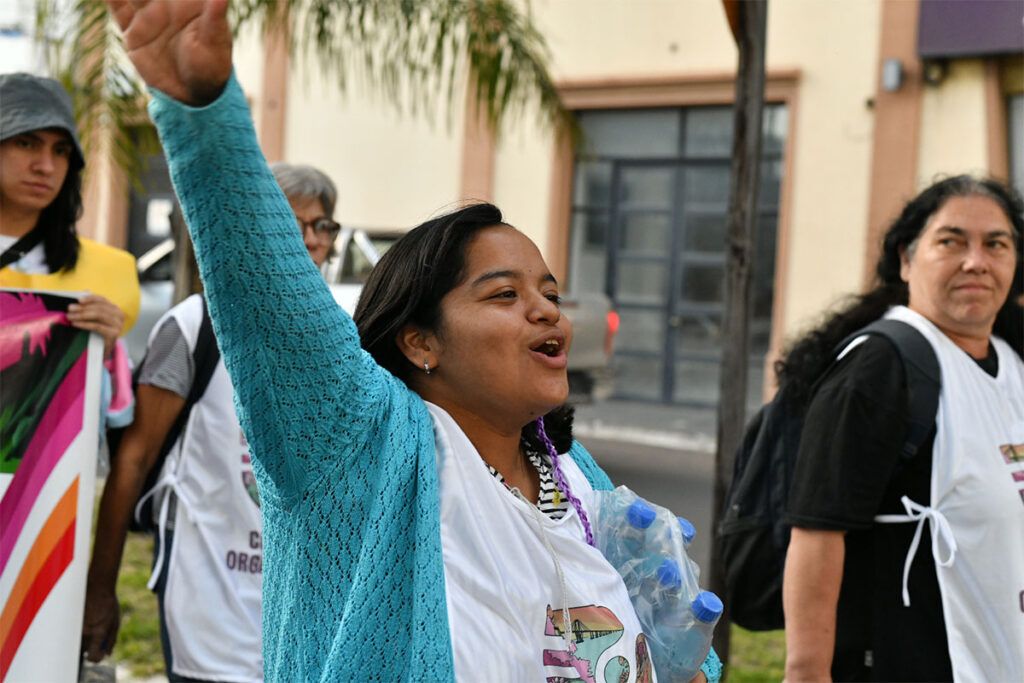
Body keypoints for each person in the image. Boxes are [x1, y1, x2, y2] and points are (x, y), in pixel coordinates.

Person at [104, 2, 721, 681]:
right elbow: (269, 297)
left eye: (549, 292)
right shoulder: (364, 449)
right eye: (505, 294)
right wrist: (202, 113)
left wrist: (681, 654)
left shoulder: (577, 479)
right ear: (421, 341)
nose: (547, 313)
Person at [81, 163, 342, 683]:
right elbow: (132, 460)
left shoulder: (338, 340)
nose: (312, 240)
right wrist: (99, 590)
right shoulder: (195, 326)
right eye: (294, 224)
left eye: (323, 226)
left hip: (301, 610)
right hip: (208, 599)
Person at [780, 176, 1024, 682]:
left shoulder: (1011, 363)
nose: (976, 261)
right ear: (907, 260)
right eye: (951, 241)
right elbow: (817, 530)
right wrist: (807, 674)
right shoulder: (880, 369)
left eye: (995, 244)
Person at [0, 72, 139, 374]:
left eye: (61, 150)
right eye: (26, 143)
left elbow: (116, 413)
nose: (46, 166)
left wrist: (106, 354)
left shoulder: (111, 272)